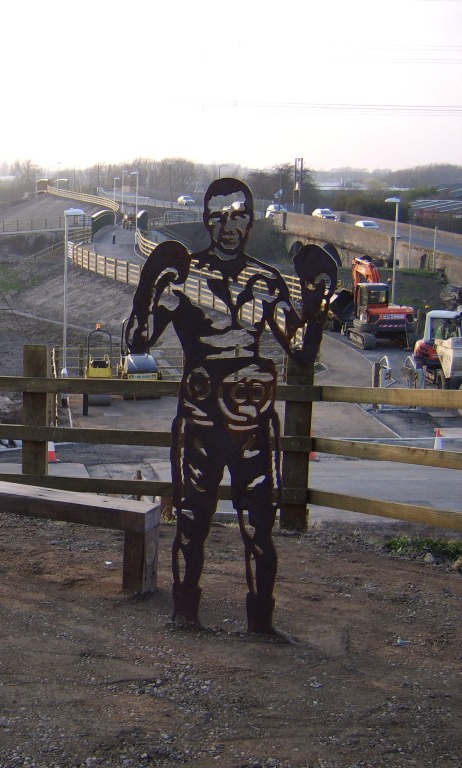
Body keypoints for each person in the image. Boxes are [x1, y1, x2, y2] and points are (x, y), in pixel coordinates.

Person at [124, 178, 336, 634]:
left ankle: (261, 621)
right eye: (218, 215)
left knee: (260, 525)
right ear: (205, 220)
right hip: (201, 419)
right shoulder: (183, 277)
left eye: (237, 214)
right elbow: (138, 340)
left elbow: (299, 349)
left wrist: (317, 300)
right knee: (191, 521)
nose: (228, 225)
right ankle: (185, 612)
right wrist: (147, 288)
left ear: (250, 218)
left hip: (252, 419)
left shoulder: (265, 281)